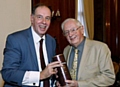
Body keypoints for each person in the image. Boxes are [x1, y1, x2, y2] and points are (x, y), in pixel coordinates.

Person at [1, 3, 62, 87]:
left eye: (47, 18)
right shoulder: (15, 39)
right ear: (32, 18)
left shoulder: (51, 41)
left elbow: (50, 71)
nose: (44, 22)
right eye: (39, 17)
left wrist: (56, 82)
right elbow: (8, 73)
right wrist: (40, 75)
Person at [59, 18, 115, 87]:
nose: (70, 34)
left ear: (82, 29)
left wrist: (79, 84)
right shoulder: (66, 50)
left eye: (73, 30)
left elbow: (109, 77)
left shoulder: (100, 48)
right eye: (66, 32)